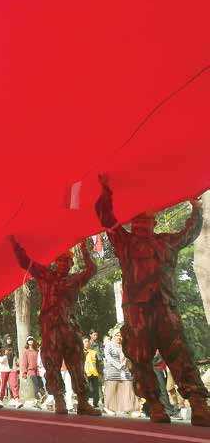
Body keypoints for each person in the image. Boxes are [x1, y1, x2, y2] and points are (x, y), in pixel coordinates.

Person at [95, 175, 210, 426]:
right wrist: (105, 192)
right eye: (138, 221)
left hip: (164, 309)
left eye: (145, 220)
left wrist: (197, 208)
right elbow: (106, 218)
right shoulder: (126, 243)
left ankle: (198, 404)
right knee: (140, 359)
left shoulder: (165, 241)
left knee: (180, 355)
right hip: (138, 314)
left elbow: (190, 233)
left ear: (153, 222)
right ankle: (155, 405)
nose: (141, 224)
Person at [10, 237, 101, 416]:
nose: (63, 264)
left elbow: (92, 270)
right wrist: (15, 243)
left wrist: (84, 250)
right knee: (51, 365)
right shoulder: (45, 276)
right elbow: (24, 262)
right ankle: (59, 400)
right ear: (55, 262)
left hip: (70, 328)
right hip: (51, 329)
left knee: (77, 365)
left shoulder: (75, 280)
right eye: (60, 260)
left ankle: (83, 402)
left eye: (67, 261)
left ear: (71, 263)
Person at [103, 329, 138, 416]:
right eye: (117, 335)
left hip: (125, 370)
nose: (119, 337)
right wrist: (118, 365)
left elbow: (129, 354)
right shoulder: (109, 345)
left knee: (128, 387)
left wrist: (125, 362)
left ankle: (130, 408)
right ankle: (108, 408)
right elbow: (108, 357)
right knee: (112, 388)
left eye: (120, 335)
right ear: (113, 336)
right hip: (112, 370)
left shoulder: (124, 345)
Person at [20, 336, 45, 405]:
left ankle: (42, 398)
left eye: (31, 340)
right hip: (30, 370)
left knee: (41, 384)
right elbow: (24, 362)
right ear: (27, 342)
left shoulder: (36, 350)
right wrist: (24, 373)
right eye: (29, 340)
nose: (30, 341)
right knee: (35, 384)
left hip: (38, 370)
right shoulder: (26, 351)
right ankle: (37, 400)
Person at [83, 337, 102, 408]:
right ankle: (85, 403)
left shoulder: (94, 352)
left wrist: (100, 372)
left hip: (94, 372)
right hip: (85, 373)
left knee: (96, 389)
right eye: (85, 341)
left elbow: (97, 363)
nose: (87, 343)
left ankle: (95, 403)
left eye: (88, 341)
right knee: (86, 389)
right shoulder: (81, 352)